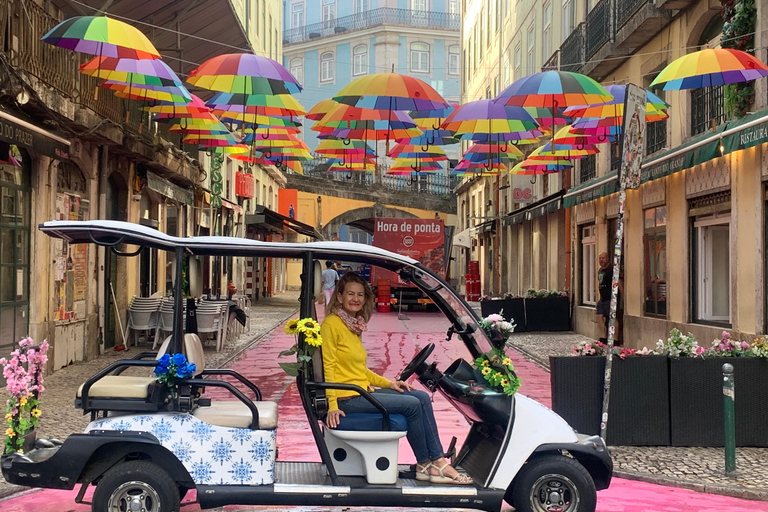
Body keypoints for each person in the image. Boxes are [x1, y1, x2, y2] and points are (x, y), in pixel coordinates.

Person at [320, 273, 473, 485]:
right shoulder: (331, 325)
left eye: (360, 295)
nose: (355, 299)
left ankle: (428, 464)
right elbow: (328, 366)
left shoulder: (353, 326)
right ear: (339, 297)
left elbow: (360, 370)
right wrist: (333, 405)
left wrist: (390, 383)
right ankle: (432, 462)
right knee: (411, 406)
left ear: (365, 299)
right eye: (350, 294)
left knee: (419, 396)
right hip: (348, 397)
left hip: (360, 390)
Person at [595, 252, 623, 343]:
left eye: (603, 258)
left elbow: (618, 281)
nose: (601, 260)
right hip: (602, 298)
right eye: (600, 258)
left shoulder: (612, 269)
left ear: (607, 259)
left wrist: (622, 295)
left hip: (612, 297)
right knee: (599, 316)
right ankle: (604, 337)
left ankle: (615, 339)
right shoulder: (600, 270)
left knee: (613, 318)